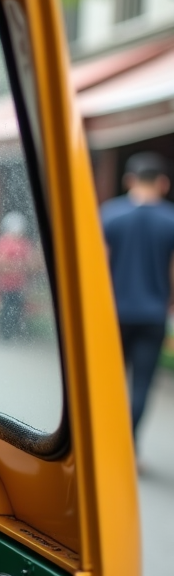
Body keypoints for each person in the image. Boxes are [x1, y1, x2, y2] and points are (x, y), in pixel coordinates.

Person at [101, 152, 174, 436]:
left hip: (113, 314)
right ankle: (128, 446)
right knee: (141, 384)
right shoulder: (171, 220)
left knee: (109, 381)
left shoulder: (110, 214)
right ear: (163, 183)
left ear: (129, 180)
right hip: (152, 315)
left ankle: (103, 442)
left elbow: (100, 269)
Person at [0, 211, 32, 341]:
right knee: (6, 308)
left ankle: (14, 331)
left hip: (19, 284)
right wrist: (17, 266)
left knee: (17, 309)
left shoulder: (24, 243)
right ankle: (4, 333)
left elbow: (31, 263)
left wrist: (15, 266)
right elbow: (0, 263)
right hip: (5, 283)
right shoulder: (3, 242)